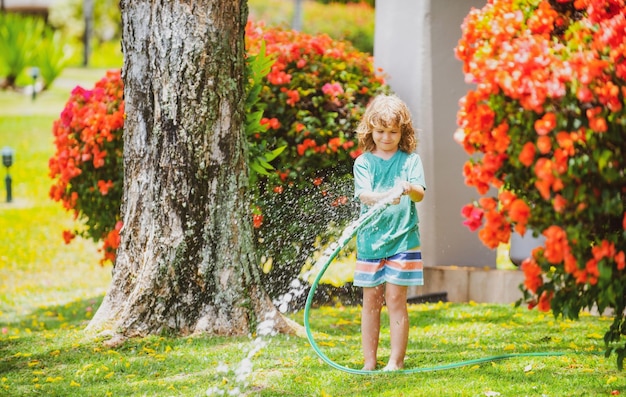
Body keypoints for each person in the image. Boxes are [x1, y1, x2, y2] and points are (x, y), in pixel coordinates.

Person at [352, 94, 426, 371]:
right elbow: (365, 195)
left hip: (403, 240)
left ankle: (395, 361)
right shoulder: (364, 163)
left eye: (393, 132)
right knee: (371, 302)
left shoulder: (410, 161)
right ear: (370, 130)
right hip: (371, 241)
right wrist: (384, 196)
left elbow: (419, 194)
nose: (386, 137)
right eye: (381, 131)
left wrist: (408, 188)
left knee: (396, 299)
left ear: (402, 132)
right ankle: (369, 362)